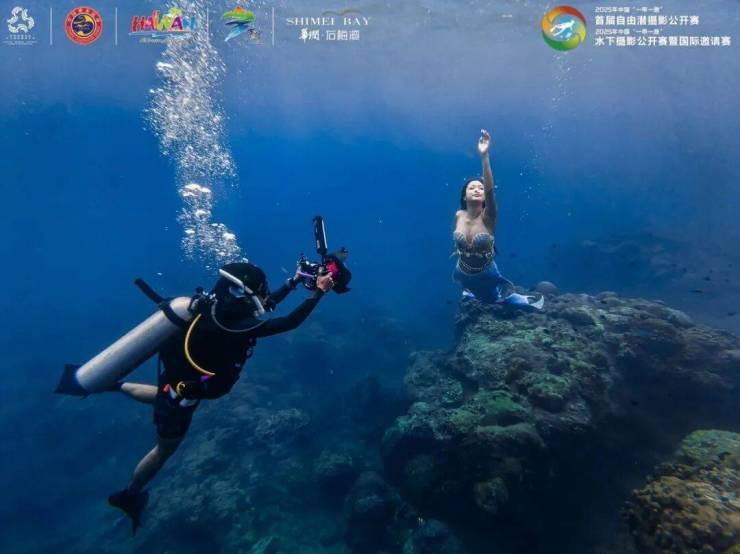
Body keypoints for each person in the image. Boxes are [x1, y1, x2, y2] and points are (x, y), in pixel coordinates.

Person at [106, 261, 335, 533]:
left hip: (176, 382)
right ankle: (129, 495)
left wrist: (294, 281)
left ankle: (113, 385)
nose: (262, 298)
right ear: (245, 294)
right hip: (184, 395)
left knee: (163, 395)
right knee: (163, 450)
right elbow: (289, 322)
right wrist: (318, 292)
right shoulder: (234, 326)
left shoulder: (214, 309)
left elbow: (265, 305)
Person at [452, 129, 544, 309]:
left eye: (480, 188)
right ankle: (470, 293)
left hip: (486, 273)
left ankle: (528, 303)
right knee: (475, 294)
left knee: (494, 300)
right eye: (471, 188)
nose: (477, 190)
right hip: (461, 271)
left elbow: (489, 190)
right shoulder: (459, 215)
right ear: (464, 196)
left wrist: (484, 156)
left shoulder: (489, 215)